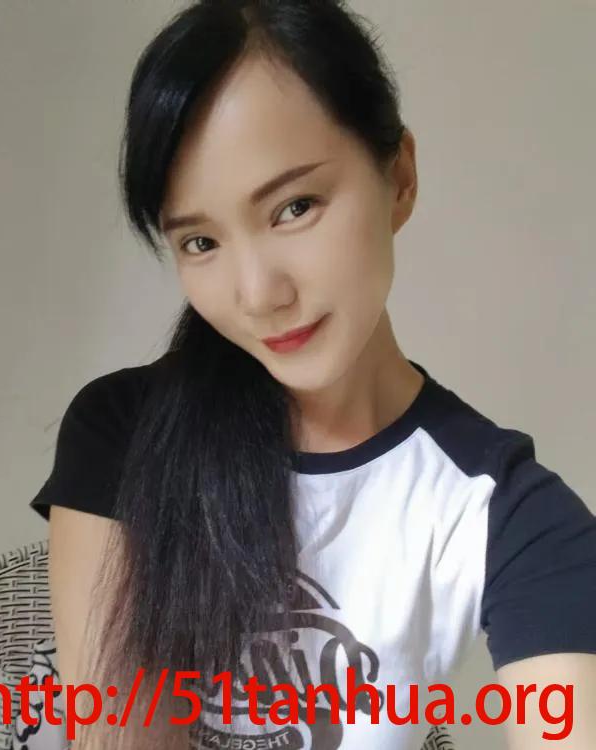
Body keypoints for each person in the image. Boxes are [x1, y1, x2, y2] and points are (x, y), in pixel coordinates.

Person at [29, 1, 596, 748]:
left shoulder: (505, 514)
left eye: (294, 207)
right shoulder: (124, 435)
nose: (258, 294)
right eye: (200, 242)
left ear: (400, 177)